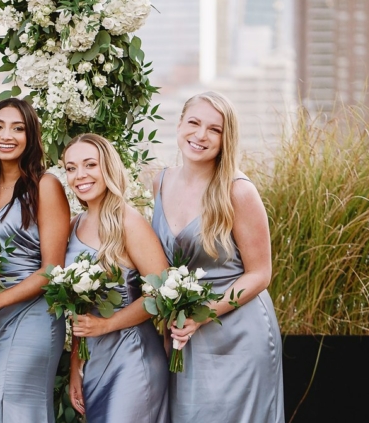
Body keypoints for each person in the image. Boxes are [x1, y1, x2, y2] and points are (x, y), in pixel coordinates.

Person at [152, 92, 284, 422]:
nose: (200, 135)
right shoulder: (160, 181)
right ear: (179, 123)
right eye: (194, 123)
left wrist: (203, 314)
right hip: (185, 334)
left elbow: (260, 274)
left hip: (237, 333)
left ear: (227, 139)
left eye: (214, 129)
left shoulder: (238, 191)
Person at [0, 98, 70, 423]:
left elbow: (53, 270)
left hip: (31, 316)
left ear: (31, 136)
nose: (6, 135)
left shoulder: (46, 186)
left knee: (14, 408)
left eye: (17, 127)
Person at [61, 133, 170, 423]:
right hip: (93, 361)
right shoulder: (72, 226)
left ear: (108, 167)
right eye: (71, 168)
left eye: (89, 165)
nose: (79, 175)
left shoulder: (128, 221)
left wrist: (107, 324)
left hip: (132, 355)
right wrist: (76, 367)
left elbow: (162, 294)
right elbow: (79, 309)